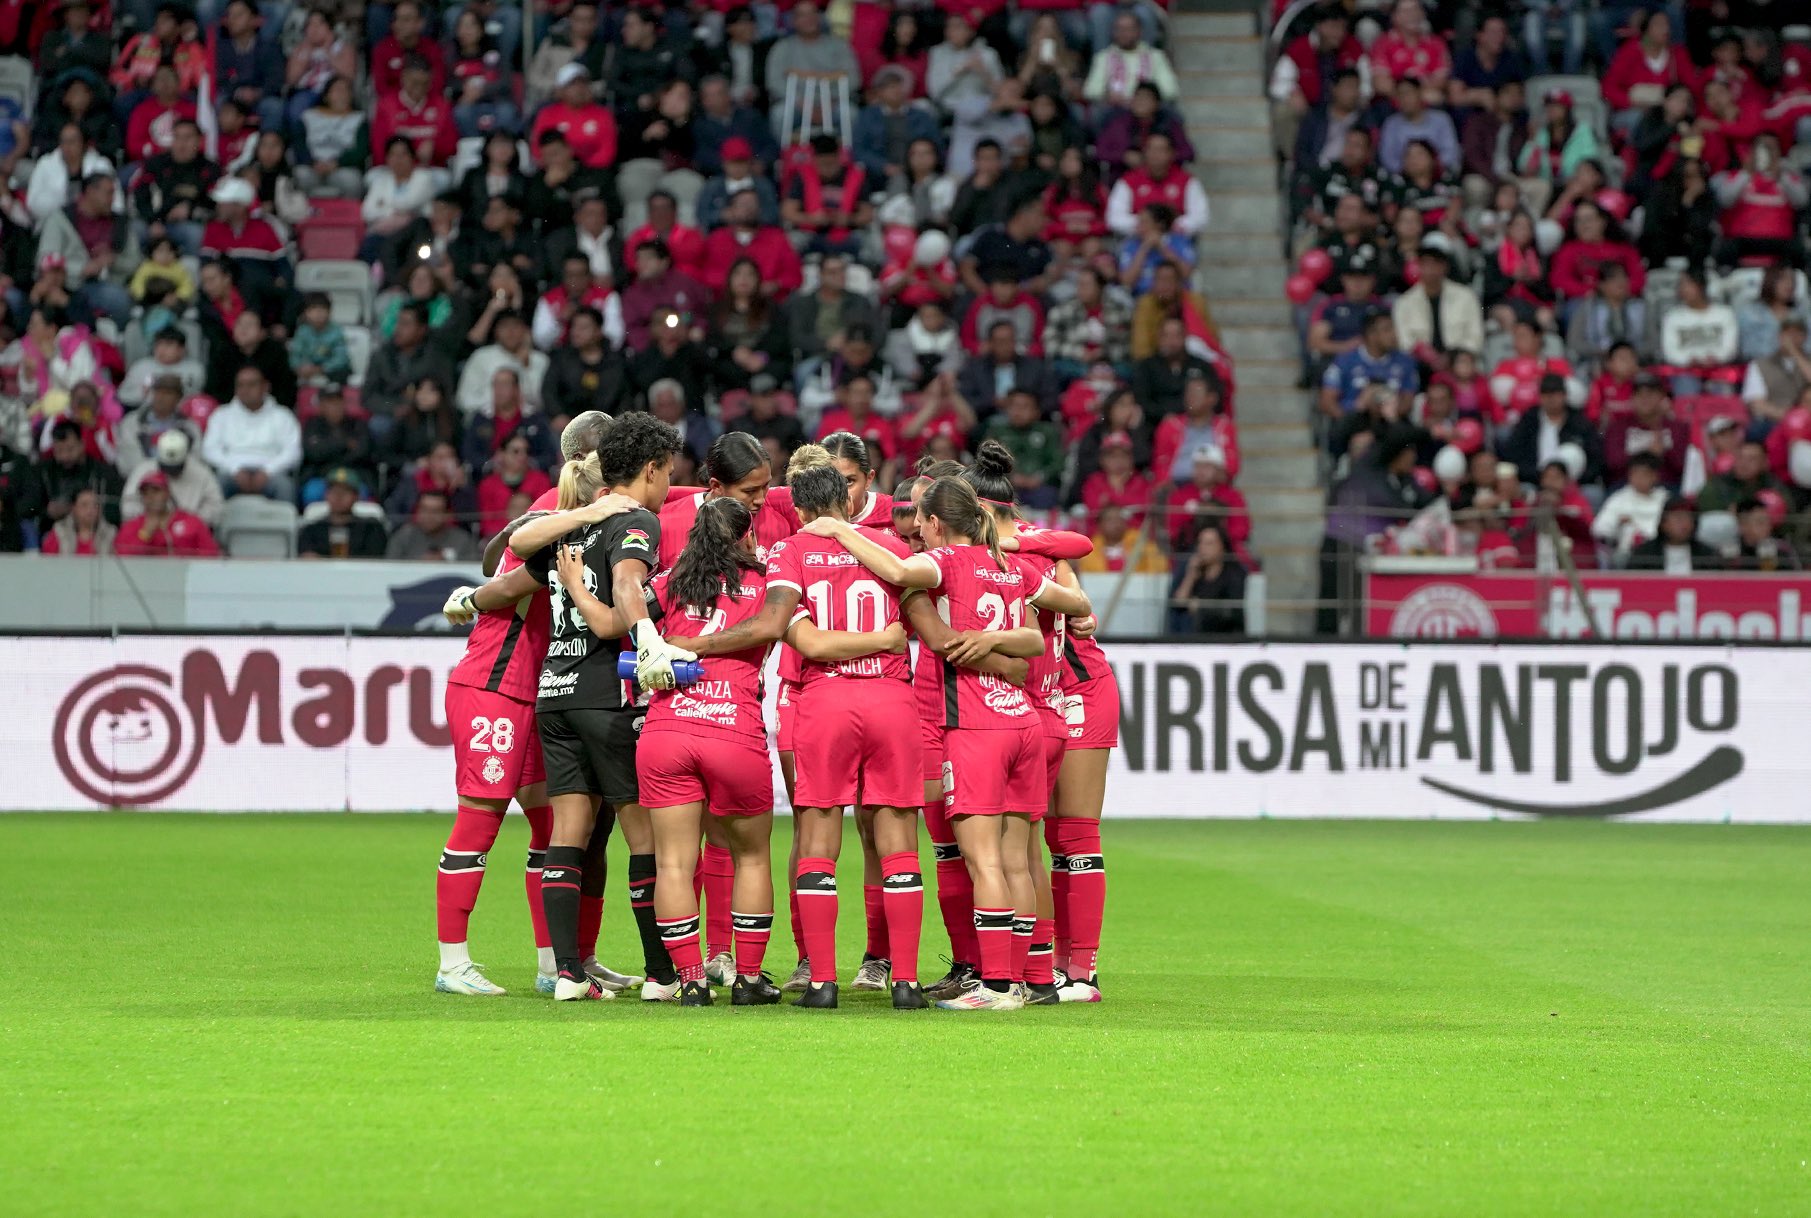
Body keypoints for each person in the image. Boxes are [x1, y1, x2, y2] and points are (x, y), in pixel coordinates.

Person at [471, 414, 692, 1002]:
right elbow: (624, 588)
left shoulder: (567, 528)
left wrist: (470, 600)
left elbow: (514, 570)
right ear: (649, 470)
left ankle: (567, 973)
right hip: (605, 694)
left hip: (554, 694)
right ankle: (661, 974)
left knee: (567, 831)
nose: (669, 484)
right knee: (640, 831)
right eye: (667, 472)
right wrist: (644, 632)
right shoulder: (635, 519)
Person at [201, 367, 302, 501]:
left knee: (285, 487)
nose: (245, 390)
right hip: (231, 472)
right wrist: (235, 469)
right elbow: (209, 450)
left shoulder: (282, 415)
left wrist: (268, 471)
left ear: (265, 387)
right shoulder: (221, 415)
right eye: (240, 385)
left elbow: (293, 452)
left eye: (251, 384)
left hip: (271, 472)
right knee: (215, 485)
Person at [114, 470, 220, 557]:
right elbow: (123, 560)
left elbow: (210, 555)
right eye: (145, 493)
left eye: (156, 491)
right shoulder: (132, 527)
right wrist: (144, 535)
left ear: (167, 493)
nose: (150, 497)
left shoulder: (191, 521)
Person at [1169, 527, 1247, 633]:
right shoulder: (1195, 572)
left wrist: (1202, 608)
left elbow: (1233, 612)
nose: (1202, 548)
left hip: (1225, 637)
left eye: (1209, 543)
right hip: (1197, 636)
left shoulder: (1235, 574)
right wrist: (1190, 576)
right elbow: (1178, 604)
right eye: (1200, 543)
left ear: (1221, 546)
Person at [298, 468, 389, 557]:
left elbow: (376, 562)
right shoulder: (312, 530)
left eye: (345, 491)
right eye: (334, 491)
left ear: (356, 497)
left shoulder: (371, 529)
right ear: (326, 495)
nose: (339, 496)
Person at [1627, 495, 1720, 571]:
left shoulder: (1707, 555)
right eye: (1679, 518)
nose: (1685, 524)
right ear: (1664, 523)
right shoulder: (1644, 554)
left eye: (1689, 518)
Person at [40, 485, 116, 555]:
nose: (90, 510)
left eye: (95, 505)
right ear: (73, 508)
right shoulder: (59, 532)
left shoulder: (111, 533)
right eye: (84, 505)